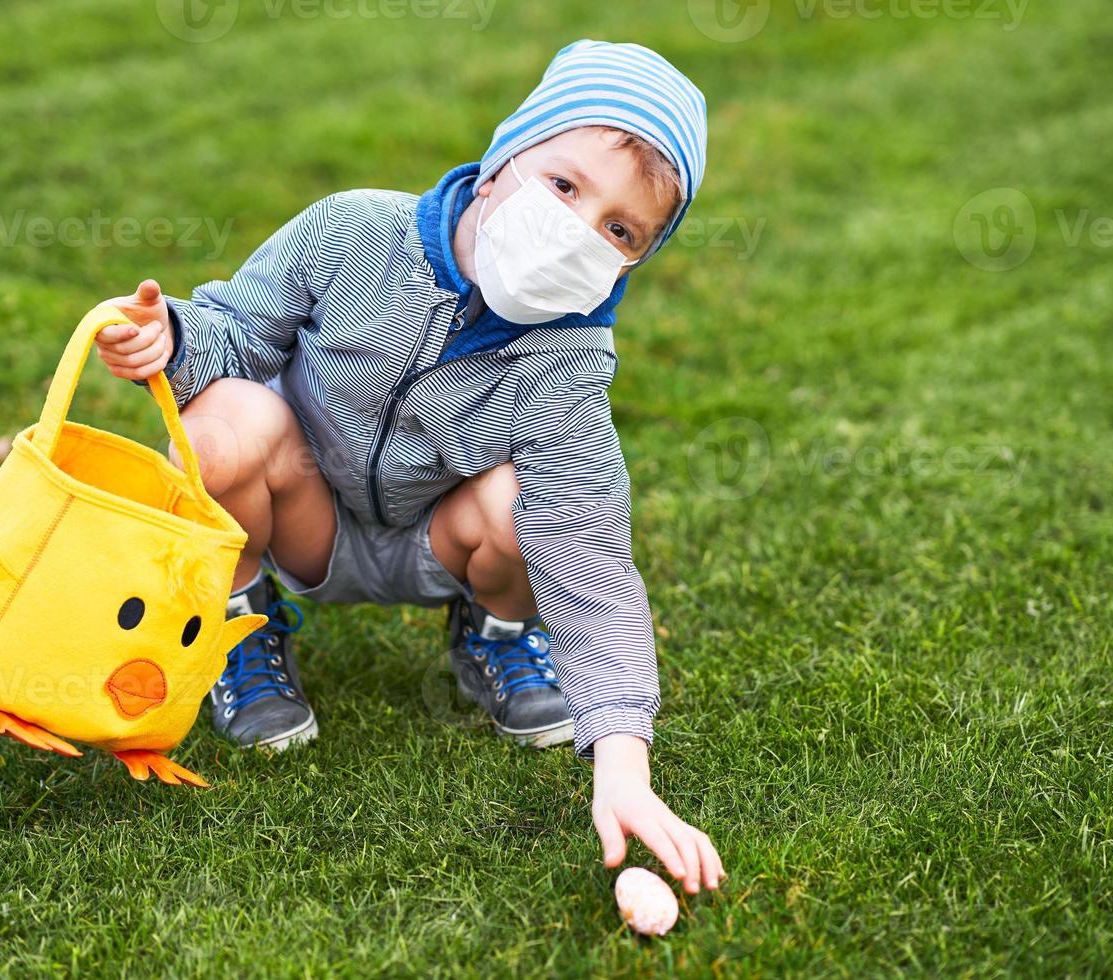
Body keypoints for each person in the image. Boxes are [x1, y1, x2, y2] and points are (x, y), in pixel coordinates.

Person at [94, 40, 723, 893]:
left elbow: (585, 546)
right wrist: (172, 336)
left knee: (523, 508)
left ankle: (497, 630)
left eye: (620, 229)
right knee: (224, 425)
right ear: (503, 160)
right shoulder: (353, 231)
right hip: (302, 515)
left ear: (637, 258)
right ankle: (243, 623)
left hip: (441, 542)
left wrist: (623, 764)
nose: (579, 229)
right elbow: (235, 334)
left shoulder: (569, 356)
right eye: (565, 185)